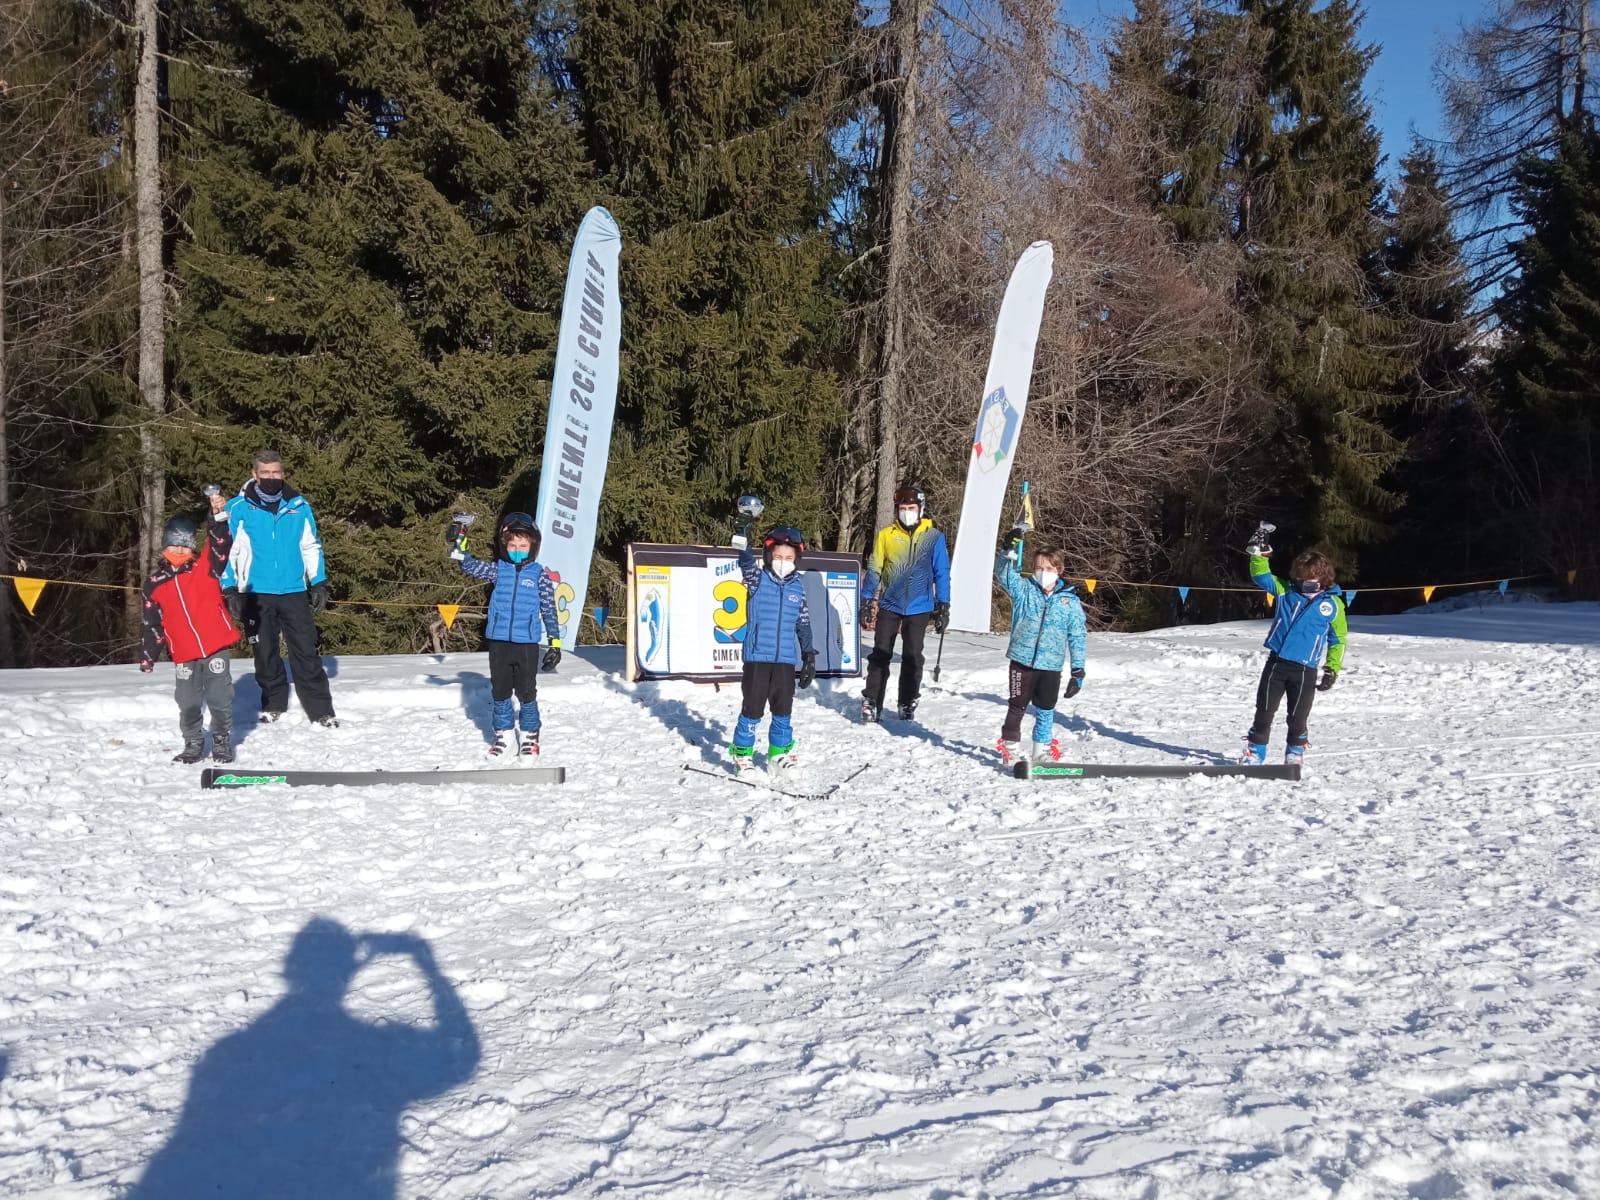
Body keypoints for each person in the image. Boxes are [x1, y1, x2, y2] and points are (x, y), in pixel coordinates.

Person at [221, 450, 337, 727]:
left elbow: (310, 545)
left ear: (282, 473)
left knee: (306, 651)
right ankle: (273, 703)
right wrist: (230, 588)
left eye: (276, 472)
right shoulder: (238, 507)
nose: (271, 478)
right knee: (265, 653)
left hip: (294, 590)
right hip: (256, 592)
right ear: (255, 475)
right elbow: (226, 551)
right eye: (265, 473)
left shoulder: (298, 505)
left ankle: (320, 709)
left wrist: (318, 582)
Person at [451, 512, 561, 757]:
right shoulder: (498, 570)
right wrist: (461, 538)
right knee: (500, 692)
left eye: (523, 546)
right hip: (499, 642)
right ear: (504, 546)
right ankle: (505, 736)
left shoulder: (539, 575)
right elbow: (468, 565)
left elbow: (549, 609)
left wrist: (555, 644)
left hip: (526, 644)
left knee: (526, 692)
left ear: (532, 547)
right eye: (512, 546)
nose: (517, 550)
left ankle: (530, 736)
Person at [140, 493, 239, 763]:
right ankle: (193, 742)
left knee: (219, 697)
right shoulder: (154, 584)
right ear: (165, 545)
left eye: (185, 546)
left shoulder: (206, 566)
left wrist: (216, 516)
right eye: (174, 545)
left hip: (215, 644)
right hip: (183, 652)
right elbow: (152, 623)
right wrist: (148, 655)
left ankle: (221, 739)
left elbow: (219, 541)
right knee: (188, 701)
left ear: (192, 547)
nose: (179, 551)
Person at [1240, 541, 1346, 766]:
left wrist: (1332, 668)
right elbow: (1261, 576)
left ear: (1322, 579)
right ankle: (1255, 751)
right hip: (1277, 664)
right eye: (1299, 578)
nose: (1301, 583)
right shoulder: (1286, 591)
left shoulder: (1333, 606)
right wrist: (1260, 555)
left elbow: (1338, 640)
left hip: (1305, 670)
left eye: (1308, 579)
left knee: (1298, 717)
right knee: (1264, 711)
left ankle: (1295, 751)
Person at [994, 530, 1087, 770]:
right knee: (1017, 706)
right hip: (1022, 660)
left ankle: (1041, 751)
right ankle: (1010, 749)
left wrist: (1078, 670)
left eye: (1048, 568)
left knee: (1046, 709)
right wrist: (1006, 551)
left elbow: (1077, 635)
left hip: (1051, 664)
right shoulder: (1024, 589)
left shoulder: (1070, 601)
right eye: (1038, 568)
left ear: (1059, 570)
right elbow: (1003, 574)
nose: (1043, 572)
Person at [859, 486, 951, 723]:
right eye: (902, 508)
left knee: (912, 655)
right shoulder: (886, 535)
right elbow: (875, 568)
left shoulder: (934, 537)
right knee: (880, 654)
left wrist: (944, 605)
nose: (906, 512)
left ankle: (907, 701)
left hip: (920, 606)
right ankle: (872, 701)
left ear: (920, 509)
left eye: (911, 508)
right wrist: (866, 600)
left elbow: (942, 572)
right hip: (890, 603)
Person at [730, 526, 816, 773]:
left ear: (796, 560)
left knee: (783, 708)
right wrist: (742, 531)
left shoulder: (798, 587)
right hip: (758, 656)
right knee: (753, 707)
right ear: (769, 556)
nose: (783, 562)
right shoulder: (757, 579)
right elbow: (745, 559)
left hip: (785, 659)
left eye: (788, 558)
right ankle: (742, 754)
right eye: (778, 556)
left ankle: (778, 754)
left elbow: (803, 622)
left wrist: (809, 654)